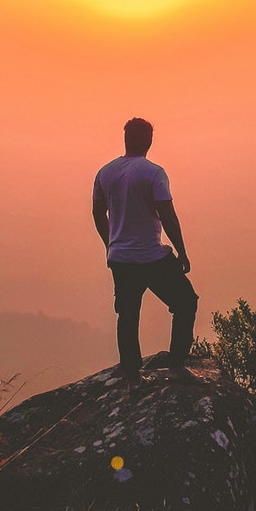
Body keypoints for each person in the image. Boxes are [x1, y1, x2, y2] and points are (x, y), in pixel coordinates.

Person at [92, 117, 198, 384]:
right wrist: (182, 251)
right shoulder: (154, 173)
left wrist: (110, 244)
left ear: (126, 139)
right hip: (151, 256)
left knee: (127, 314)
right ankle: (176, 366)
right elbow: (168, 215)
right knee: (185, 302)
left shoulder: (105, 172)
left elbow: (97, 211)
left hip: (121, 259)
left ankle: (132, 375)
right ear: (149, 141)